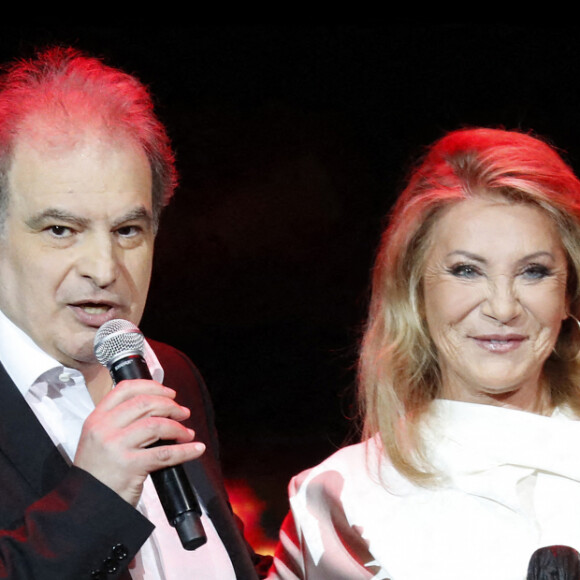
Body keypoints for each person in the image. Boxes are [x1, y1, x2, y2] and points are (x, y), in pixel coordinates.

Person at [0, 46, 268, 579]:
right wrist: (95, 496)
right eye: (61, 230)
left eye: (128, 230)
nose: (104, 268)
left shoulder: (171, 375)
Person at [267, 127, 580, 580]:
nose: (503, 307)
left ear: (569, 290)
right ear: (415, 289)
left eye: (533, 272)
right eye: (466, 271)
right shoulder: (341, 502)